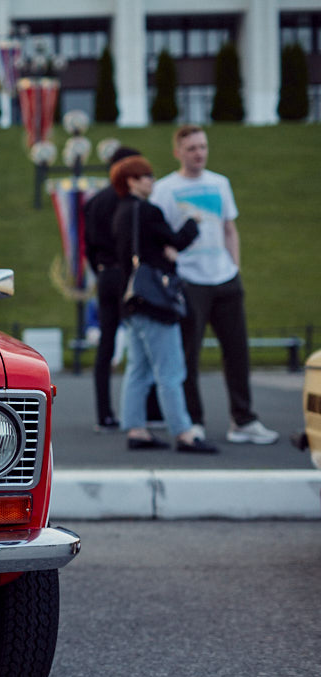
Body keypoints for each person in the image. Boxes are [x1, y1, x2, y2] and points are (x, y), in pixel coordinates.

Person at [150, 125, 279, 445]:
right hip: (190, 281)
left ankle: (244, 420)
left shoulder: (220, 184)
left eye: (203, 147)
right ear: (178, 152)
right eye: (192, 148)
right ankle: (195, 422)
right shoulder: (166, 189)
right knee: (188, 356)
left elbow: (229, 228)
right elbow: (158, 235)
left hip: (225, 279)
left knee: (237, 351)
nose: (199, 153)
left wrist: (234, 267)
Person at [110, 155, 216, 454]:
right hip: (156, 300)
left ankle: (136, 429)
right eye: (146, 176)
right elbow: (176, 242)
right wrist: (192, 225)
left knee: (138, 369)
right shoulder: (148, 211)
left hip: (131, 299)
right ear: (131, 181)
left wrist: (166, 247)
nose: (152, 181)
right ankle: (183, 433)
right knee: (171, 369)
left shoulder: (120, 212)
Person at [83, 145, 142, 431]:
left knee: (106, 345)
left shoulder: (94, 202)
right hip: (129, 275)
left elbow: (88, 247)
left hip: (105, 275)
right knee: (144, 340)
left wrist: (101, 272)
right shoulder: (130, 201)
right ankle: (148, 409)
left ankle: (104, 413)